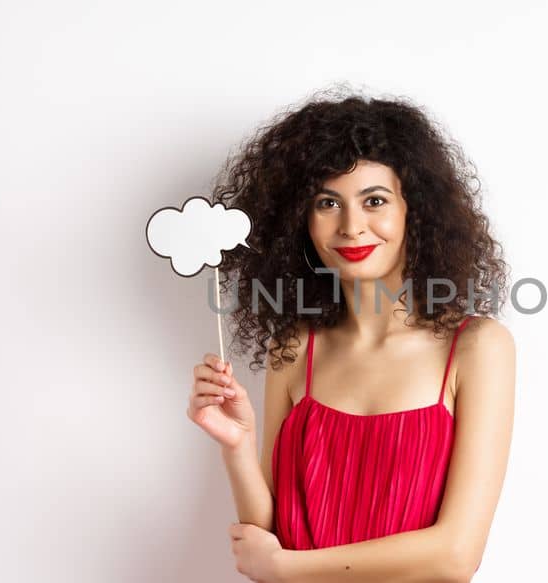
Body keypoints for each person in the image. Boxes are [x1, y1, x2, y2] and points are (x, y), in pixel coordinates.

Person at [185, 87, 515, 582]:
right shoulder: (295, 347)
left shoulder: (476, 348)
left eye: (374, 200)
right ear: (301, 221)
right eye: (327, 203)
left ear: (415, 211)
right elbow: (267, 539)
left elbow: (455, 555)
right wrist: (237, 442)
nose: (351, 226)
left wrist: (287, 567)